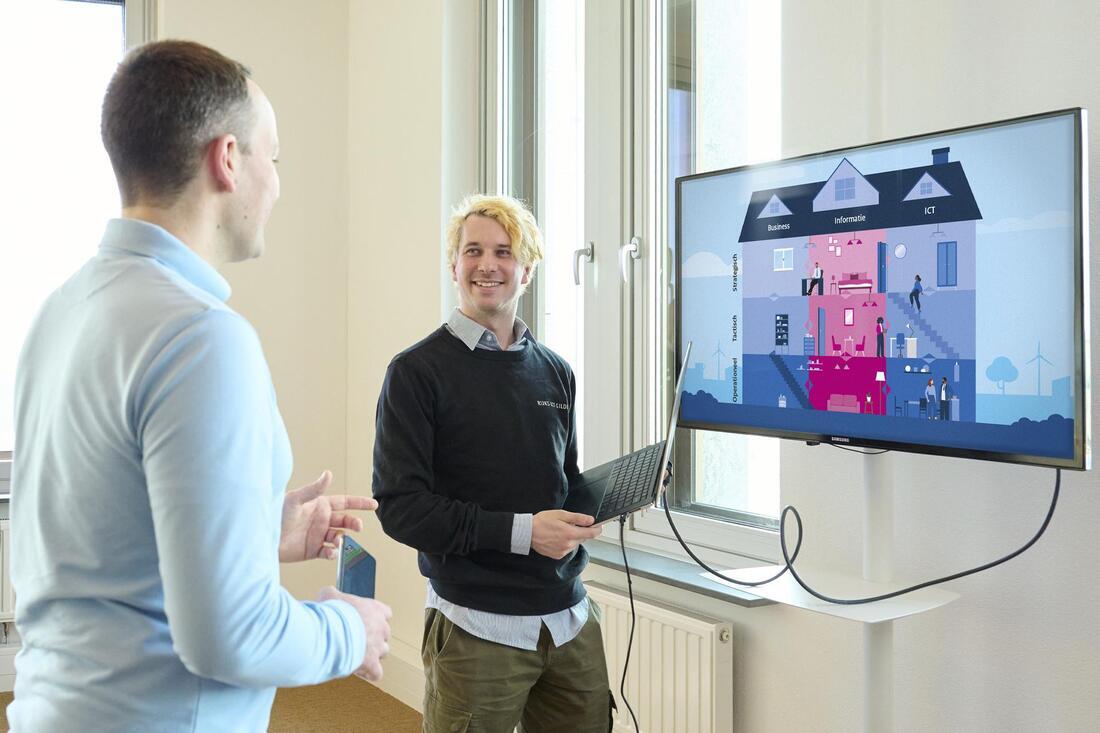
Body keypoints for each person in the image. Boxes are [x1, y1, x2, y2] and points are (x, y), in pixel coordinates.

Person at [9, 41, 391, 732]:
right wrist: (348, 629)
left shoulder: (60, 310)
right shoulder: (201, 337)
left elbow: (96, 539)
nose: (277, 184)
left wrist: (254, 528)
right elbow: (230, 637)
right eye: (274, 158)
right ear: (228, 159)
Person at [373, 194, 613, 732]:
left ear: (526, 269)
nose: (487, 264)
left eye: (504, 252)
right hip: (476, 626)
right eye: (473, 250)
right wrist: (525, 533)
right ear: (453, 265)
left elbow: (563, 485)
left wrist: (623, 490)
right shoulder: (416, 373)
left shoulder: (556, 372)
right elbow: (402, 509)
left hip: (569, 620)